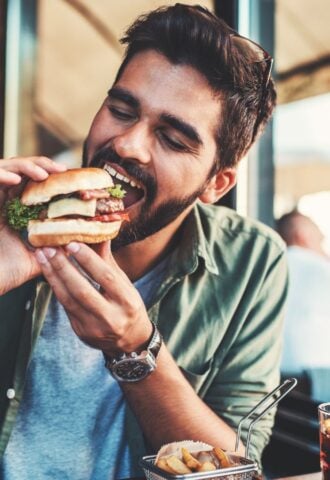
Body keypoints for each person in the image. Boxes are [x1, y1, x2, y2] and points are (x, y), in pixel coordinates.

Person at [0, 4, 287, 478]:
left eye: (173, 139)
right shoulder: (16, 216)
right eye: (121, 109)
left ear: (217, 183)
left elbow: (237, 473)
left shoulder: (253, 262)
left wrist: (136, 350)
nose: (129, 144)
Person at [277, 210, 330, 400]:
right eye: (319, 237)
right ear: (303, 236)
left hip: (273, 379)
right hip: (319, 378)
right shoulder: (321, 269)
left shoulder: (266, 267)